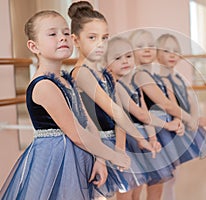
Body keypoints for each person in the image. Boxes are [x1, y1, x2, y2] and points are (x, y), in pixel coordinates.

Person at [0, 10, 130, 200]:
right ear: (33, 46)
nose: (62, 38)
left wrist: (101, 159)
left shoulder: (67, 80)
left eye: (66, 33)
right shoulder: (44, 85)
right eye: (53, 34)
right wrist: (113, 155)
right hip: (55, 160)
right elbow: (77, 133)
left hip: (79, 155)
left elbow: (88, 123)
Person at [67, 1, 156, 198]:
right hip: (93, 148)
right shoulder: (81, 73)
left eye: (105, 38)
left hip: (113, 142)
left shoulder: (104, 73)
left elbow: (120, 113)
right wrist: (137, 140)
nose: (100, 44)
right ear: (75, 40)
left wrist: (121, 147)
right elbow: (113, 110)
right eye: (92, 37)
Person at [105, 36, 185, 200]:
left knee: (140, 184)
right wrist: (167, 125)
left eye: (128, 56)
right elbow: (136, 115)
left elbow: (145, 115)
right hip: (126, 139)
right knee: (128, 188)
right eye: (118, 58)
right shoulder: (116, 87)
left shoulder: (135, 85)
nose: (125, 61)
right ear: (107, 63)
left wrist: (153, 138)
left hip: (141, 137)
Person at [129, 29, 201, 200]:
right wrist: (188, 118)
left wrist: (178, 120)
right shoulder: (139, 75)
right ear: (131, 50)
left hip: (161, 131)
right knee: (138, 184)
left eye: (150, 46)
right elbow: (165, 104)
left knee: (158, 180)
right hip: (144, 132)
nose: (147, 49)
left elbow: (172, 101)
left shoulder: (157, 76)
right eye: (140, 46)